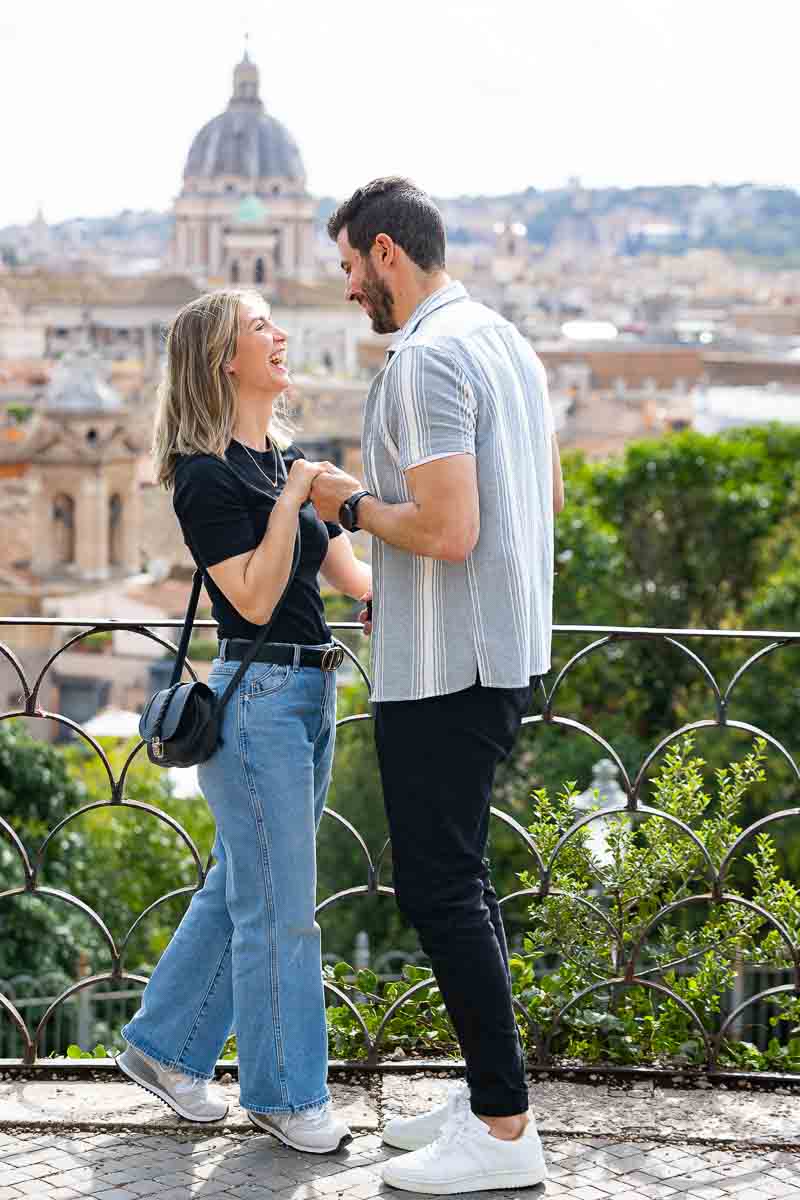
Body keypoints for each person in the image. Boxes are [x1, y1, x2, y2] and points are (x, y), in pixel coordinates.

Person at [312, 178, 564, 1194]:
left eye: (345, 270)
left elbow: (449, 531)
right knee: (461, 880)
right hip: (501, 650)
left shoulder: (424, 357)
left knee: (437, 888)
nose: (344, 293)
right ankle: (484, 1096)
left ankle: (501, 1133)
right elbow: (537, 495)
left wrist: (349, 504)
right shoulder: (503, 338)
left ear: (384, 253)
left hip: (442, 665)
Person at [117, 288, 371, 1153]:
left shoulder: (284, 456)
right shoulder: (205, 474)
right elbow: (255, 597)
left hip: (312, 694)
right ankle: (286, 1094)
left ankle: (162, 1048)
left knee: (242, 891)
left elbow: (351, 577)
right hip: (257, 697)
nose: (282, 335)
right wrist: (292, 494)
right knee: (282, 910)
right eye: (263, 326)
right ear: (224, 357)